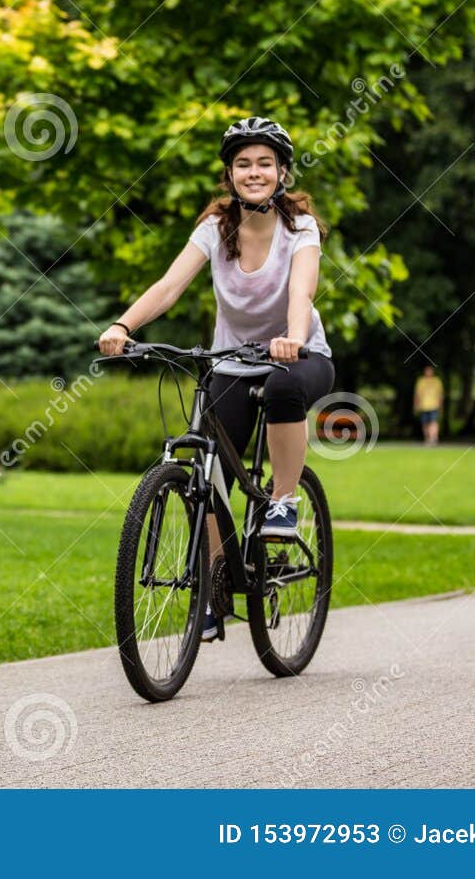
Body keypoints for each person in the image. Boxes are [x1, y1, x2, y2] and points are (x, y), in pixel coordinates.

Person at [98, 117, 334, 640]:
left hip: (298, 357)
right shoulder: (215, 227)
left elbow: (302, 292)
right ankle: (214, 584)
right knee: (206, 470)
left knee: (283, 388)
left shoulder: (301, 229)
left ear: (282, 173)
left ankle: (283, 501)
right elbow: (169, 285)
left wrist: (292, 337)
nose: (254, 172)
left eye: (264, 164)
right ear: (229, 175)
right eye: (243, 164)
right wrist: (123, 325)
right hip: (230, 360)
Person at [414, 365, 444, 446]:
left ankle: (434, 438)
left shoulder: (437, 381)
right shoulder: (421, 381)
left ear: (432, 372)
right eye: (427, 371)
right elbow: (417, 394)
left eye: (430, 371)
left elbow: (440, 395)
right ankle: (427, 439)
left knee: (433, 422)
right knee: (425, 424)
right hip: (423, 406)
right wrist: (416, 406)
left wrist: (441, 406)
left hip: (434, 406)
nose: (428, 373)